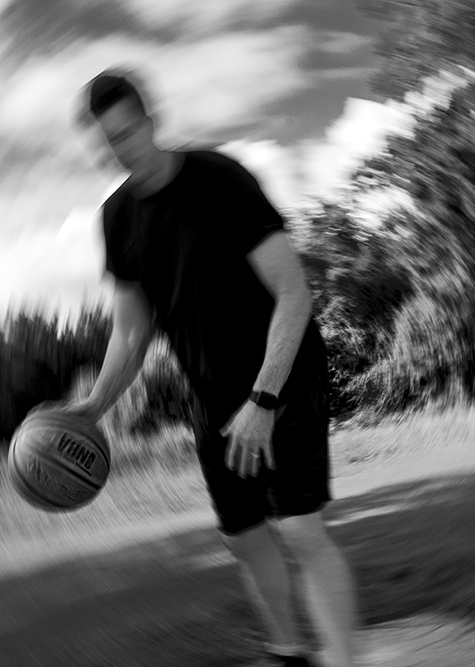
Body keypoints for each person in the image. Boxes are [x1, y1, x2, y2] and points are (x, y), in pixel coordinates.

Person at [67, 68, 360, 667]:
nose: (119, 150)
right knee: (245, 539)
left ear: (150, 122)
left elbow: (294, 294)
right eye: (106, 142)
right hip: (213, 398)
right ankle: (290, 652)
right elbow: (131, 331)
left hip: (284, 380)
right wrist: (94, 406)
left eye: (126, 133)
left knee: (300, 529)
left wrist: (264, 401)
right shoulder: (117, 219)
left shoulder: (219, 180)